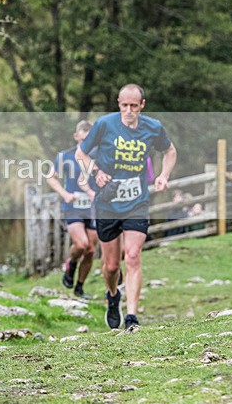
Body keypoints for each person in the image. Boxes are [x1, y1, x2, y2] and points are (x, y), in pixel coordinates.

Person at [76, 84, 177, 331]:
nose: (129, 111)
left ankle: (132, 317)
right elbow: (81, 154)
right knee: (111, 267)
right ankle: (113, 296)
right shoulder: (104, 124)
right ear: (118, 104)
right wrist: (96, 173)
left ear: (142, 105)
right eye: (124, 106)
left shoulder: (153, 128)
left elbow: (170, 151)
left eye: (134, 106)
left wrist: (164, 175)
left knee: (132, 256)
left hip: (137, 202)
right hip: (108, 203)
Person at [46, 120, 98, 299]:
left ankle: (79, 287)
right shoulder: (65, 156)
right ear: (76, 137)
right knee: (82, 244)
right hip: (73, 206)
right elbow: (51, 177)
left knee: (91, 250)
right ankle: (72, 263)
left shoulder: (98, 157)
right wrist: (65, 193)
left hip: (93, 208)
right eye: (82, 138)